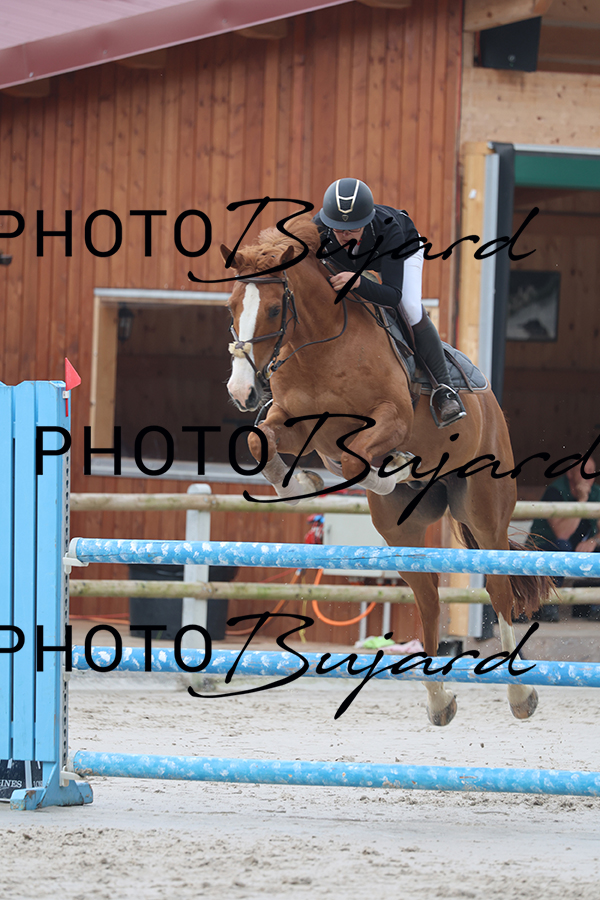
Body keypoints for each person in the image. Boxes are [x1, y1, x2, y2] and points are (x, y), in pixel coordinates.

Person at [313, 177, 465, 427]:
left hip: (402, 250)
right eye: (338, 230)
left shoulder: (389, 229)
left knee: (410, 308)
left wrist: (358, 282)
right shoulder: (319, 228)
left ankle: (445, 389)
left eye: (352, 230)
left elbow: (393, 295)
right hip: (351, 263)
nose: (344, 236)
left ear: (365, 222)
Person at [527, 458, 600, 622]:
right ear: (570, 473)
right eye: (583, 471)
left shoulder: (596, 492)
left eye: (592, 471)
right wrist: (582, 501)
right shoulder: (555, 491)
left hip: (576, 549)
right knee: (562, 547)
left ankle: (597, 606)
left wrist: (594, 540)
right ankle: (549, 603)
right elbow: (562, 534)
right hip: (544, 548)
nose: (588, 475)